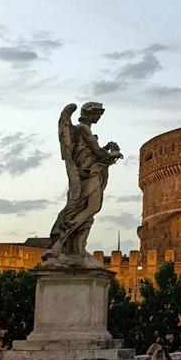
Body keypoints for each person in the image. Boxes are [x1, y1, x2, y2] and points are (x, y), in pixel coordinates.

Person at [42, 102, 123, 264]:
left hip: (92, 172)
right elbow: (97, 152)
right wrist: (113, 153)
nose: (99, 117)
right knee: (89, 207)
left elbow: (94, 152)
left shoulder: (85, 131)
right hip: (88, 173)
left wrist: (107, 151)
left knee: (89, 210)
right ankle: (59, 244)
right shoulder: (82, 129)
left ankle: (77, 247)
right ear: (89, 113)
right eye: (97, 114)